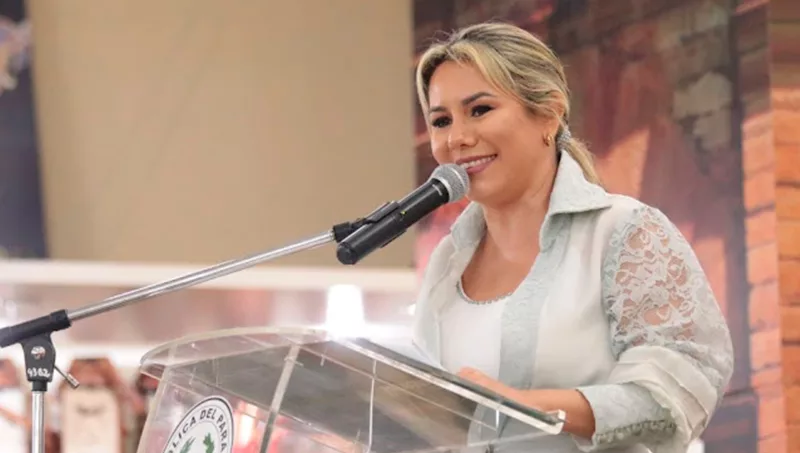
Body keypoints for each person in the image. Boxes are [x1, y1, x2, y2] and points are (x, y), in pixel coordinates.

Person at [411, 22, 734, 453]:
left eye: (480, 110)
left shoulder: (624, 231)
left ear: (549, 113)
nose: (458, 138)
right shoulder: (446, 262)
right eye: (441, 121)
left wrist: (529, 408)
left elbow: (680, 387)